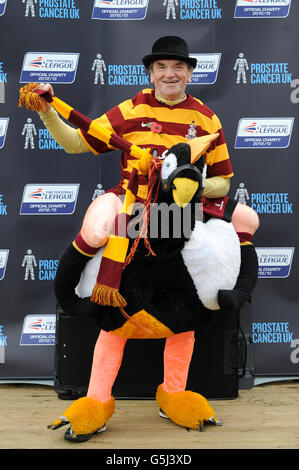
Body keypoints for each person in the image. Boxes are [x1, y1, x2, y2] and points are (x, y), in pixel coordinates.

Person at [34, 36, 259, 440]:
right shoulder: (130, 109)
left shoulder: (206, 119)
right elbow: (73, 143)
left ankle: (174, 394)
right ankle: (97, 399)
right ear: (151, 72)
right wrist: (49, 110)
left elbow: (223, 183)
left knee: (186, 313)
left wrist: (183, 183)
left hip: (180, 214)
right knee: (116, 311)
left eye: (177, 67)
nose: (169, 74)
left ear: (190, 72)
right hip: (132, 214)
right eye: (161, 67)